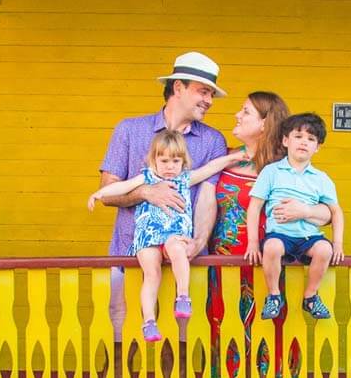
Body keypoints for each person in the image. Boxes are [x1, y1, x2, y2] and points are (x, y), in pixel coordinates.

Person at [97, 51, 228, 378]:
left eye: (211, 93)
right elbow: (108, 190)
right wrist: (147, 192)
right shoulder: (130, 130)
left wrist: (199, 242)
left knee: (180, 349)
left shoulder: (213, 140)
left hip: (183, 260)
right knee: (121, 345)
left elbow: (208, 197)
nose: (208, 100)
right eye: (203, 91)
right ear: (178, 87)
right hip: (128, 253)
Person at [206, 92, 332, 378]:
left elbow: (326, 211)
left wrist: (306, 213)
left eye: (245, 112)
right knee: (227, 338)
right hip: (226, 269)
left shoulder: (287, 165)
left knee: (272, 342)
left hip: (274, 267)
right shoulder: (226, 160)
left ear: (265, 123)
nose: (237, 115)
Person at [89, 130, 244, 341]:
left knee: (178, 251)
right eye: (164, 161)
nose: (170, 166)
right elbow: (121, 186)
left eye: (175, 161)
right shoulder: (146, 178)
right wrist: (99, 193)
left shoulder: (185, 179)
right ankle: (149, 321)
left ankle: (183, 296)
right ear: (154, 160)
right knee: (152, 274)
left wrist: (233, 158)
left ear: (183, 162)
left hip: (174, 234)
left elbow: (210, 168)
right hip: (148, 237)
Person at [246, 113, 345, 320]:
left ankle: (310, 296)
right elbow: (255, 207)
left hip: (309, 237)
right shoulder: (271, 172)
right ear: (285, 141)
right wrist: (253, 243)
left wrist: (337, 244)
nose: (304, 142)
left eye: (311, 139)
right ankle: (274, 295)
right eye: (298, 136)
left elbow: (335, 211)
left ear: (317, 147)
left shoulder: (321, 178)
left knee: (324, 249)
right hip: (279, 234)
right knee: (272, 248)